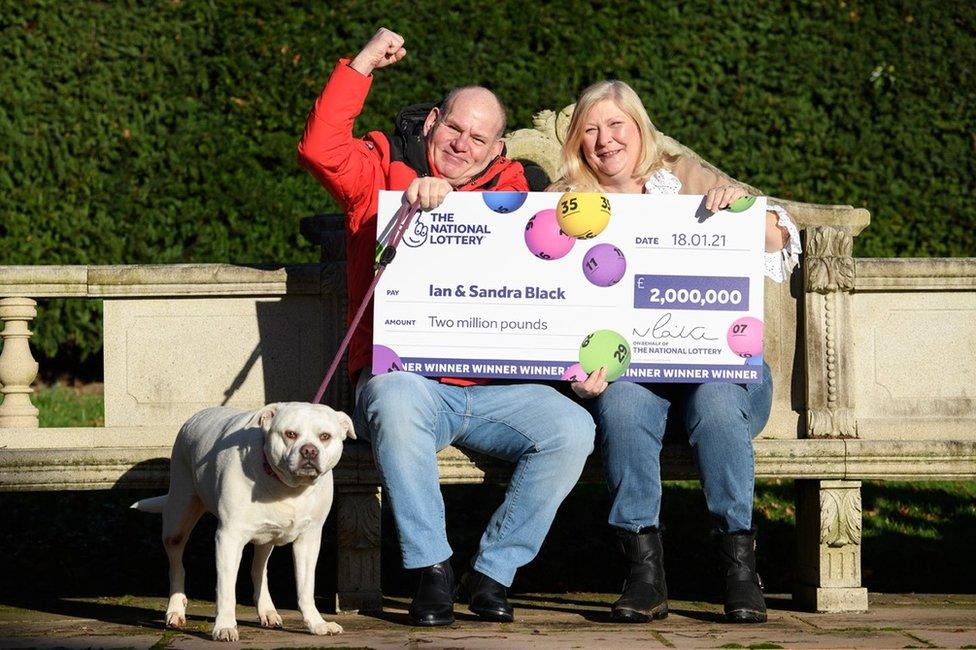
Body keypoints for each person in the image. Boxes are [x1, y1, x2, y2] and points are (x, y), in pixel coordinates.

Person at [297, 27, 594, 626]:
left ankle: (491, 573)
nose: (462, 144)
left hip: (491, 389)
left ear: (498, 147)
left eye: (478, 138)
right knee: (396, 398)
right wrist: (361, 64)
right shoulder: (378, 167)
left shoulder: (515, 188)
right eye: (454, 128)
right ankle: (431, 571)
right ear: (433, 121)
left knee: (571, 428)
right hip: (409, 383)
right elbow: (320, 148)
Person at [550, 80, 802, 624]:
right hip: (633, 378)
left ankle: (739, 564)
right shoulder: (560, 203)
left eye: (616, 124)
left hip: (722, 374)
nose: (605, 139)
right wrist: (573, 373)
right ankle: (644, 572)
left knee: (713, 404)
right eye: (590, 129)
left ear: (640, 128)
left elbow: (778, 236)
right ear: (576, 142)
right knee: (620, 405)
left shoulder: (683, 177)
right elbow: (544, 308)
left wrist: (739, 209)